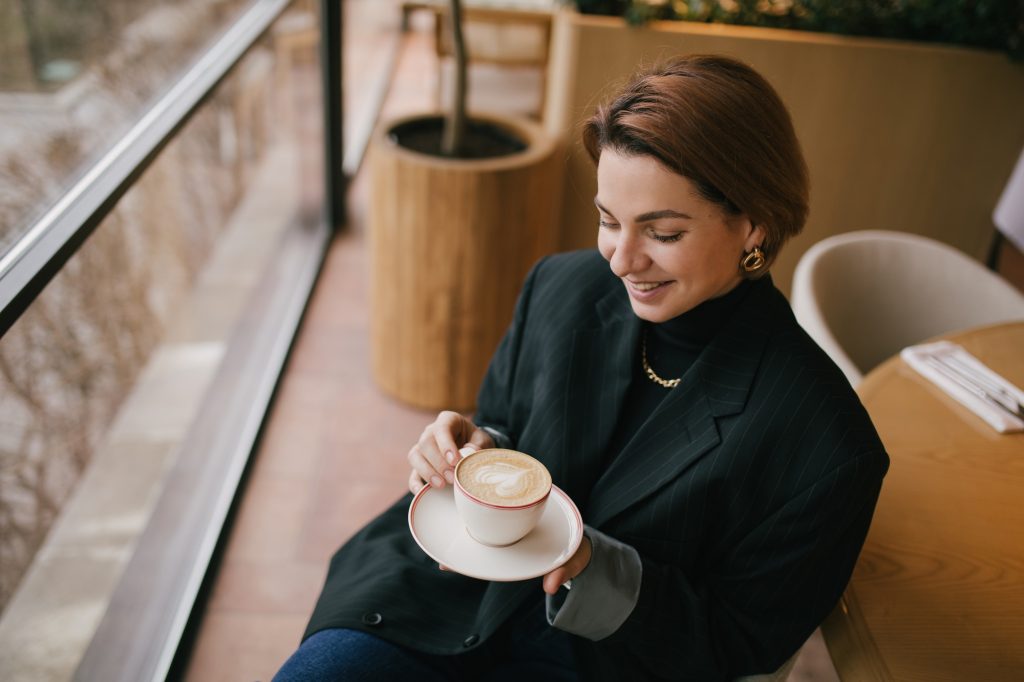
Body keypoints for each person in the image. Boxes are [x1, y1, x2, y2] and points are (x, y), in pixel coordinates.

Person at [275, 54, 889, 681]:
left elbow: (736, 642)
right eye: (607, 220)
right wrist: (476, 451)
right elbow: (505, 421)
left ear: (754, 224)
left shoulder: (827, 448)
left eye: (663, 233)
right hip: (444, 597)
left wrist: (597, 569)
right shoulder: (561, 288)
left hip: (610, 660)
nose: (622, 260)